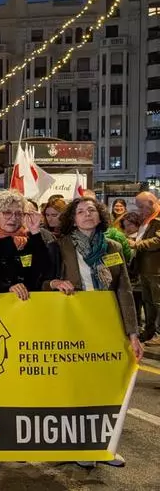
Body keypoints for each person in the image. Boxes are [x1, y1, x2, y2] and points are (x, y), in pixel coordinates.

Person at [45, 197, 143, 469]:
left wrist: (132, 333)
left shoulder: (112, 247)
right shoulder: (60, 247)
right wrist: (54, 282)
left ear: (100, 215)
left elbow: (123, 290)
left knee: (107, 389)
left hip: (107, 326)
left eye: (91, 210)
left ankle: (105, 446)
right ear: (72, 219)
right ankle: (79, 445)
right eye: (80, 211)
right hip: (73, 326)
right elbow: (41, 283)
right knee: (79, 388)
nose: (87, 214)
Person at [0, 190, 49, 300]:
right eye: (7, 212)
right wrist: (7, 287)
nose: (13, 217)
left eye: (18, 213)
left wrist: (35, 231)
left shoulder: (31, 238)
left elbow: (45, 270)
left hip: (30, 304)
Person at [129, 191, 160, 343]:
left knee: (157, 302)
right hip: (146, 268)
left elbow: (157, 240)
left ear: (151, 202)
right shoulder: (149, 218)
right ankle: (150, 333)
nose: (140, 210)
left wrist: (136, 244)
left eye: (141, 206)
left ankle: (156, 333)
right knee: (149, 302)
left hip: (156, 269)